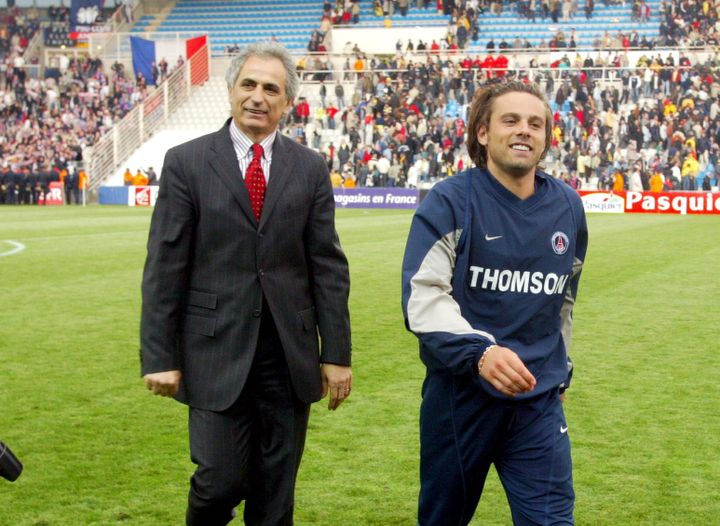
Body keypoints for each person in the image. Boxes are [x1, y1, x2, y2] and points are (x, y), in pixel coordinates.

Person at [140, 41, 352, 526]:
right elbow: (165, 267)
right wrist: (159, 356)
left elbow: (327, 266)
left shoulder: (310, 167)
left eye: (271, 89)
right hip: (214, 351)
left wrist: (336, 353)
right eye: (249, 85)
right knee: (219, 481)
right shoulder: (186, 162)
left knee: (275, 496)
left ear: (287, 101)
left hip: (288, 355)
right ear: (231, 90)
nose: (258, 96)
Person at [401, 81, 588, 526]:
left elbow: (563, 298)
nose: (524, 130)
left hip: (537, 397)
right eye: (511, 120)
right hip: (461, 396)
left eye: (535, 123)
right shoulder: (449, 200)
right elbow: (422, 297)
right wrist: (480, 353)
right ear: (482, 133)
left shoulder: (568, 207)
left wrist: (560, 365)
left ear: (546, 137)